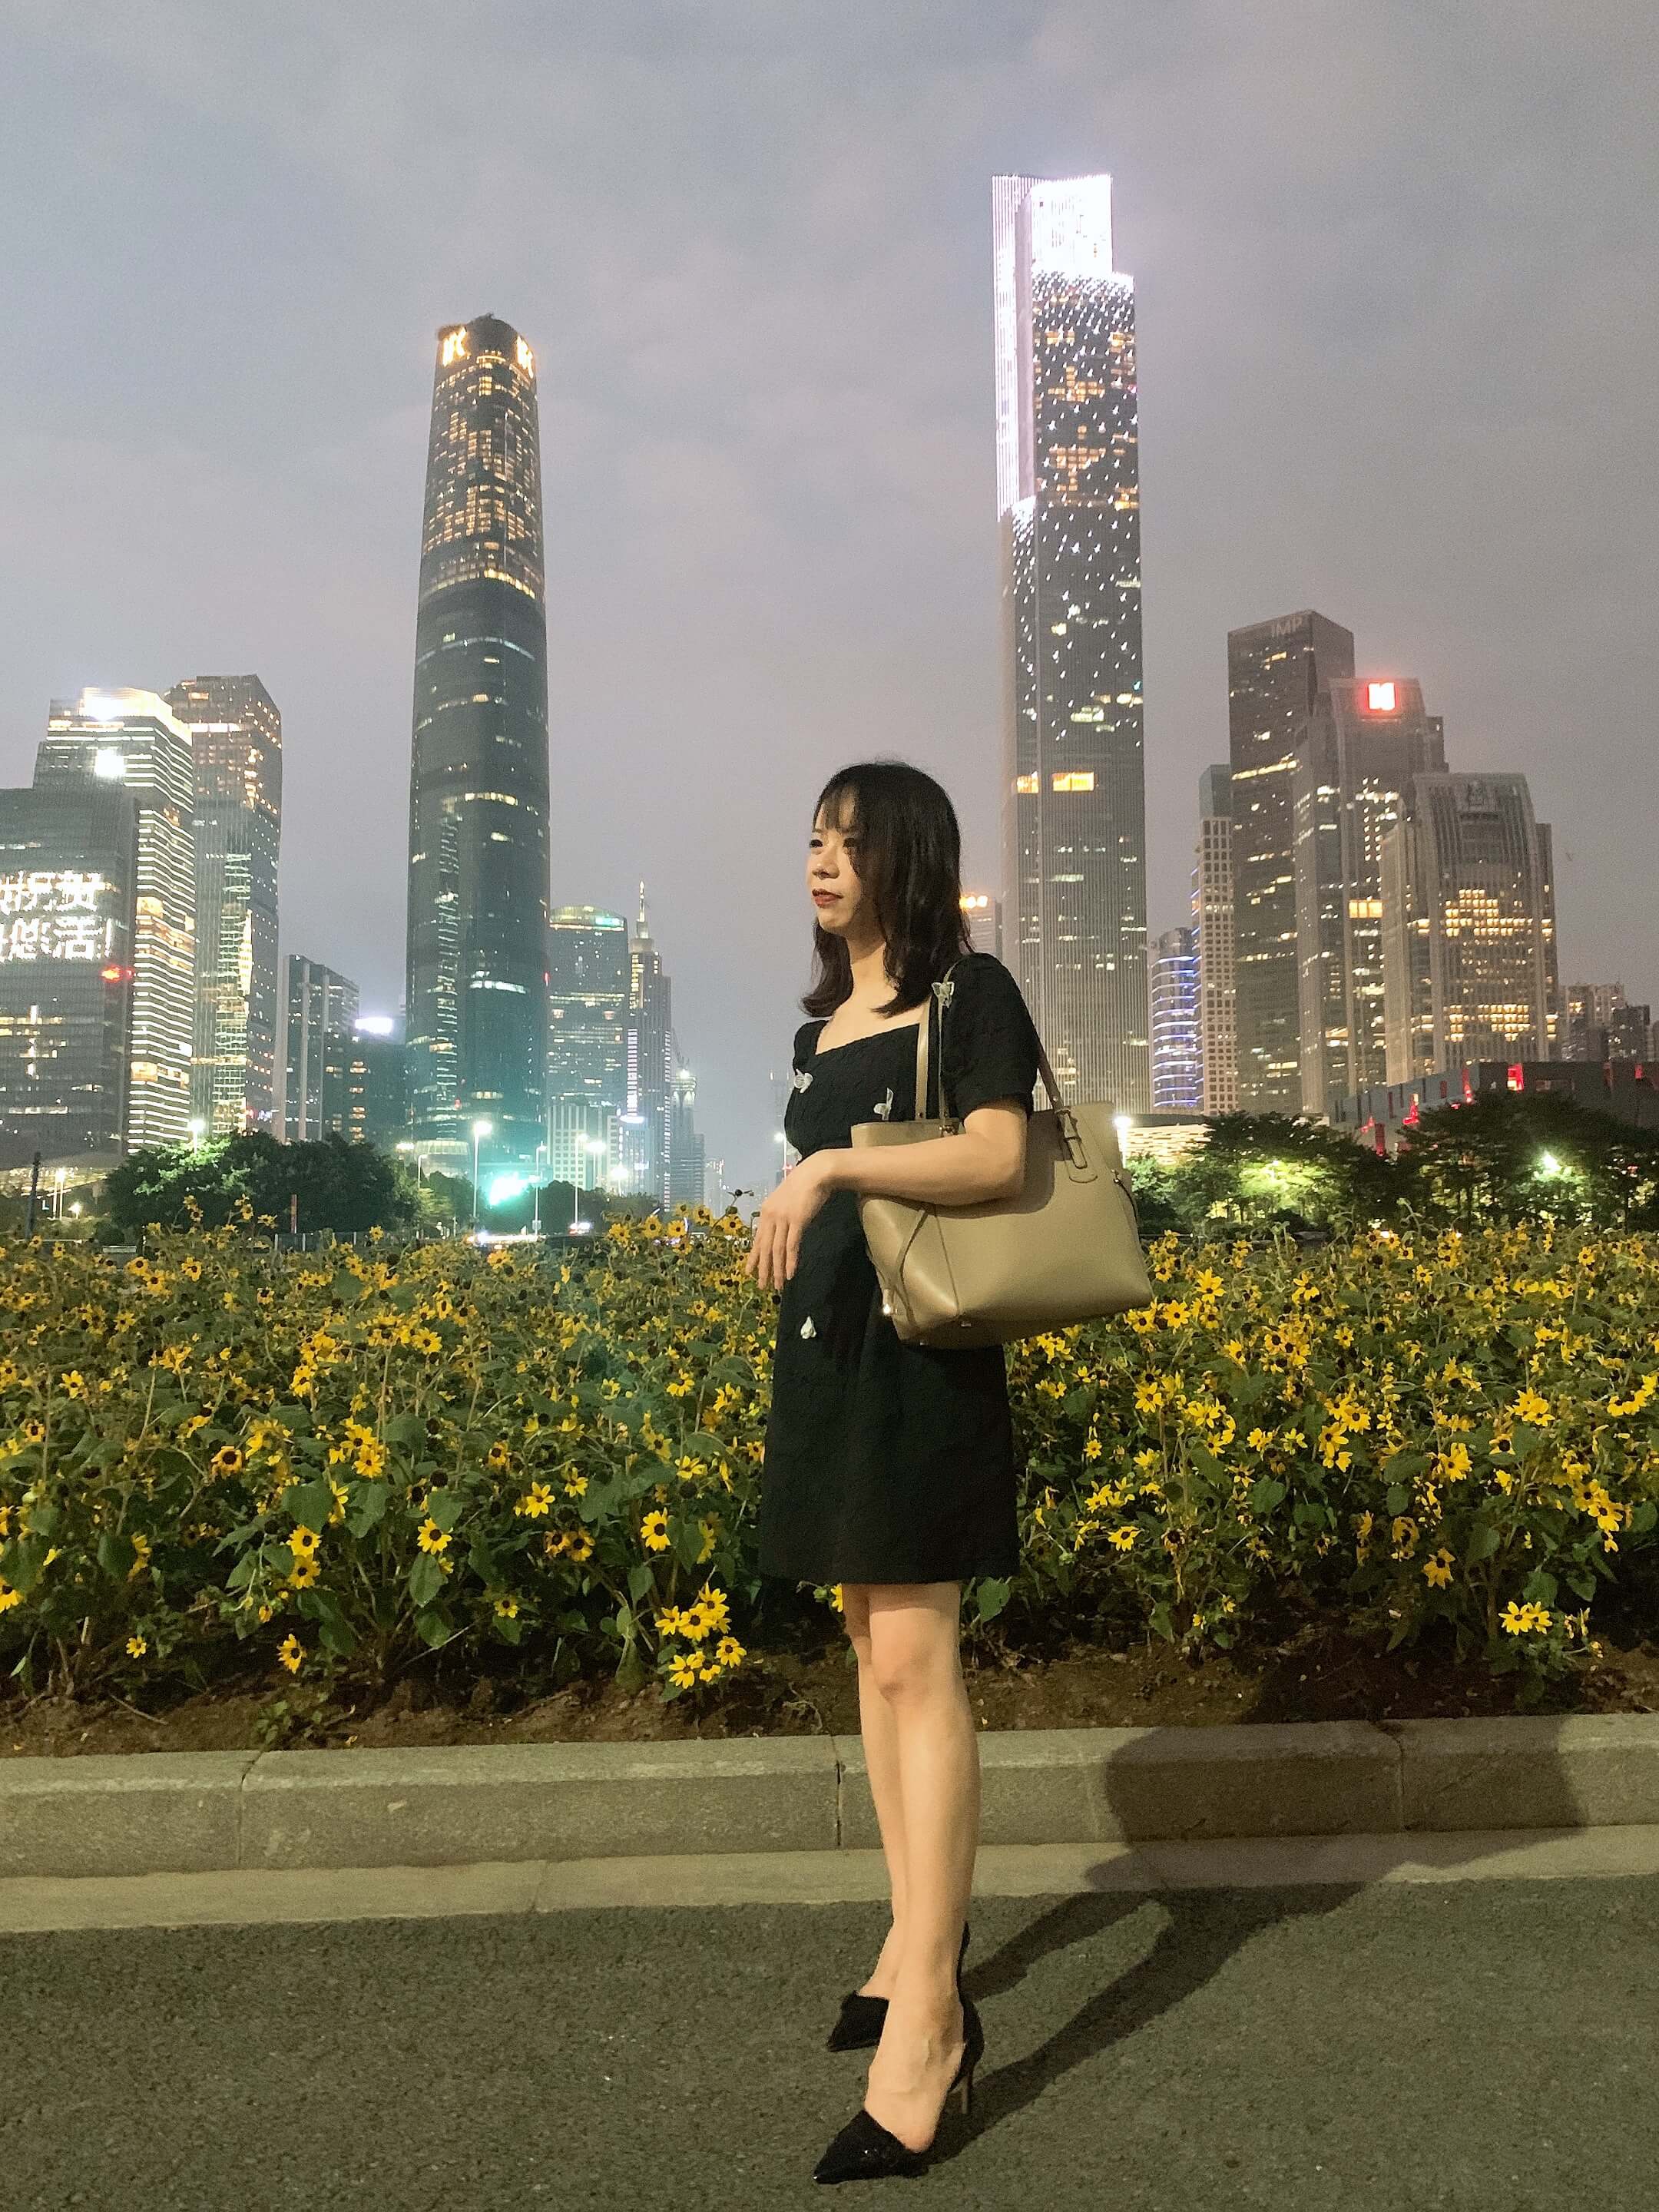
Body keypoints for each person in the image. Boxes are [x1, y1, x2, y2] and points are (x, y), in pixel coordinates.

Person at [743, 759, 1043, 2184]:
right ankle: (913, 1931)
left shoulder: (968, 996)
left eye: (850, 842)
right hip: (827, 1357)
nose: (822, 862)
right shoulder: (823, 1028)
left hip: (922, 1359)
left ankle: (931, 2016)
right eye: (814, 838)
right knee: (872, 1649)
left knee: (920, 1659)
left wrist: (832, 1173)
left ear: (906, 859)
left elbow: (996, 1159)